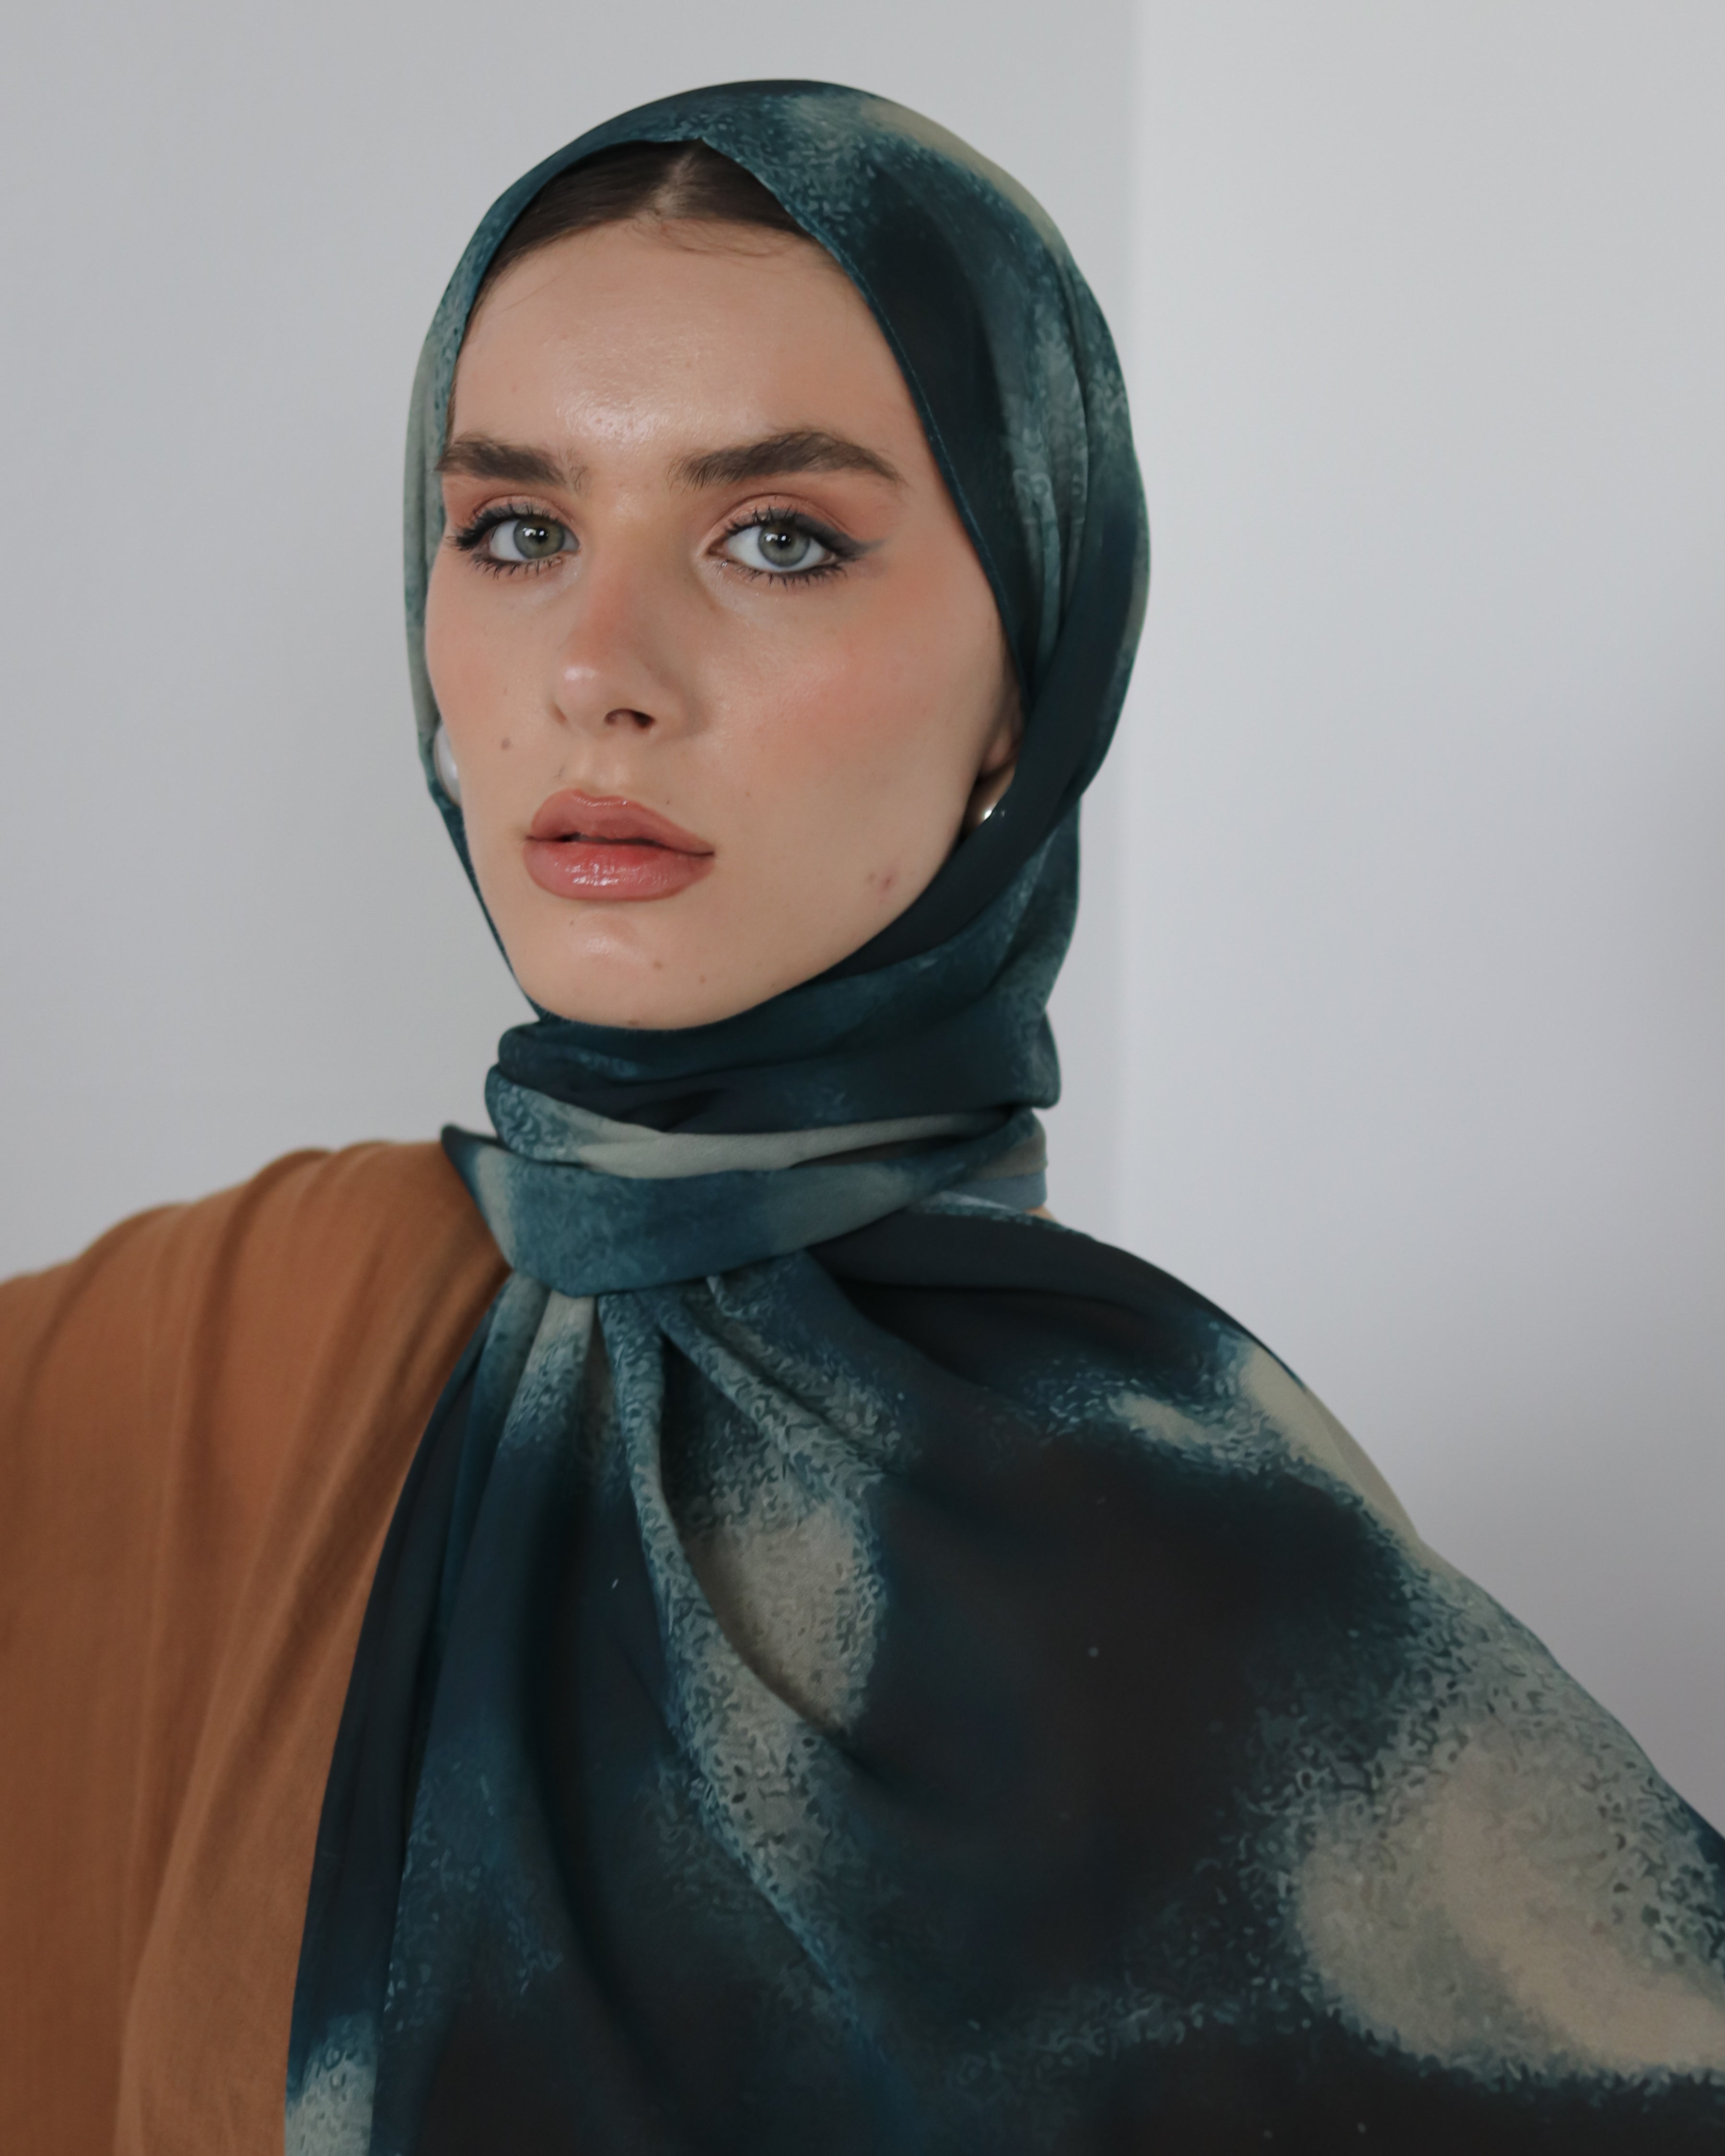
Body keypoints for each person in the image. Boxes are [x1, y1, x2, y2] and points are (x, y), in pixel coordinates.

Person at [3, 79, 1724, 2156]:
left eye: (779, 540)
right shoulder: (244, 1341)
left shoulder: (1167, 1548)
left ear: (1029, 678)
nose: (598, 670)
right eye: (518, 531)